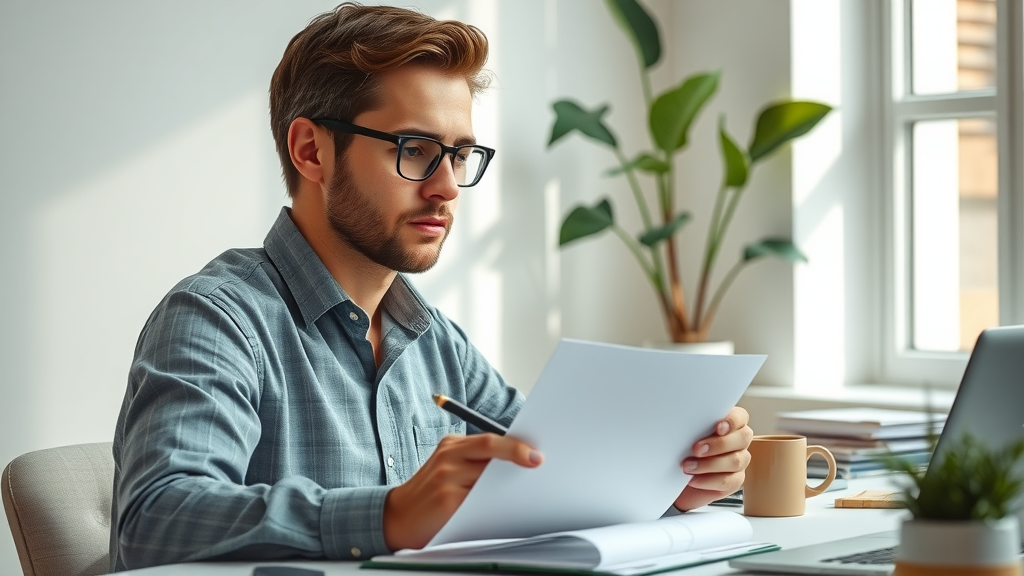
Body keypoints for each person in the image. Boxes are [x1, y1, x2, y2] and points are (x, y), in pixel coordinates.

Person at [109, 2, 754, 571]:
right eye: (414, 148)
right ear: (310, 150)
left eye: (460, 153)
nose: (446, 186)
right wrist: (386, 516)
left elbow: (548, 472)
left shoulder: (431, 339)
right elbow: (152, 521)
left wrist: (674, 479)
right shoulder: (216, 318)